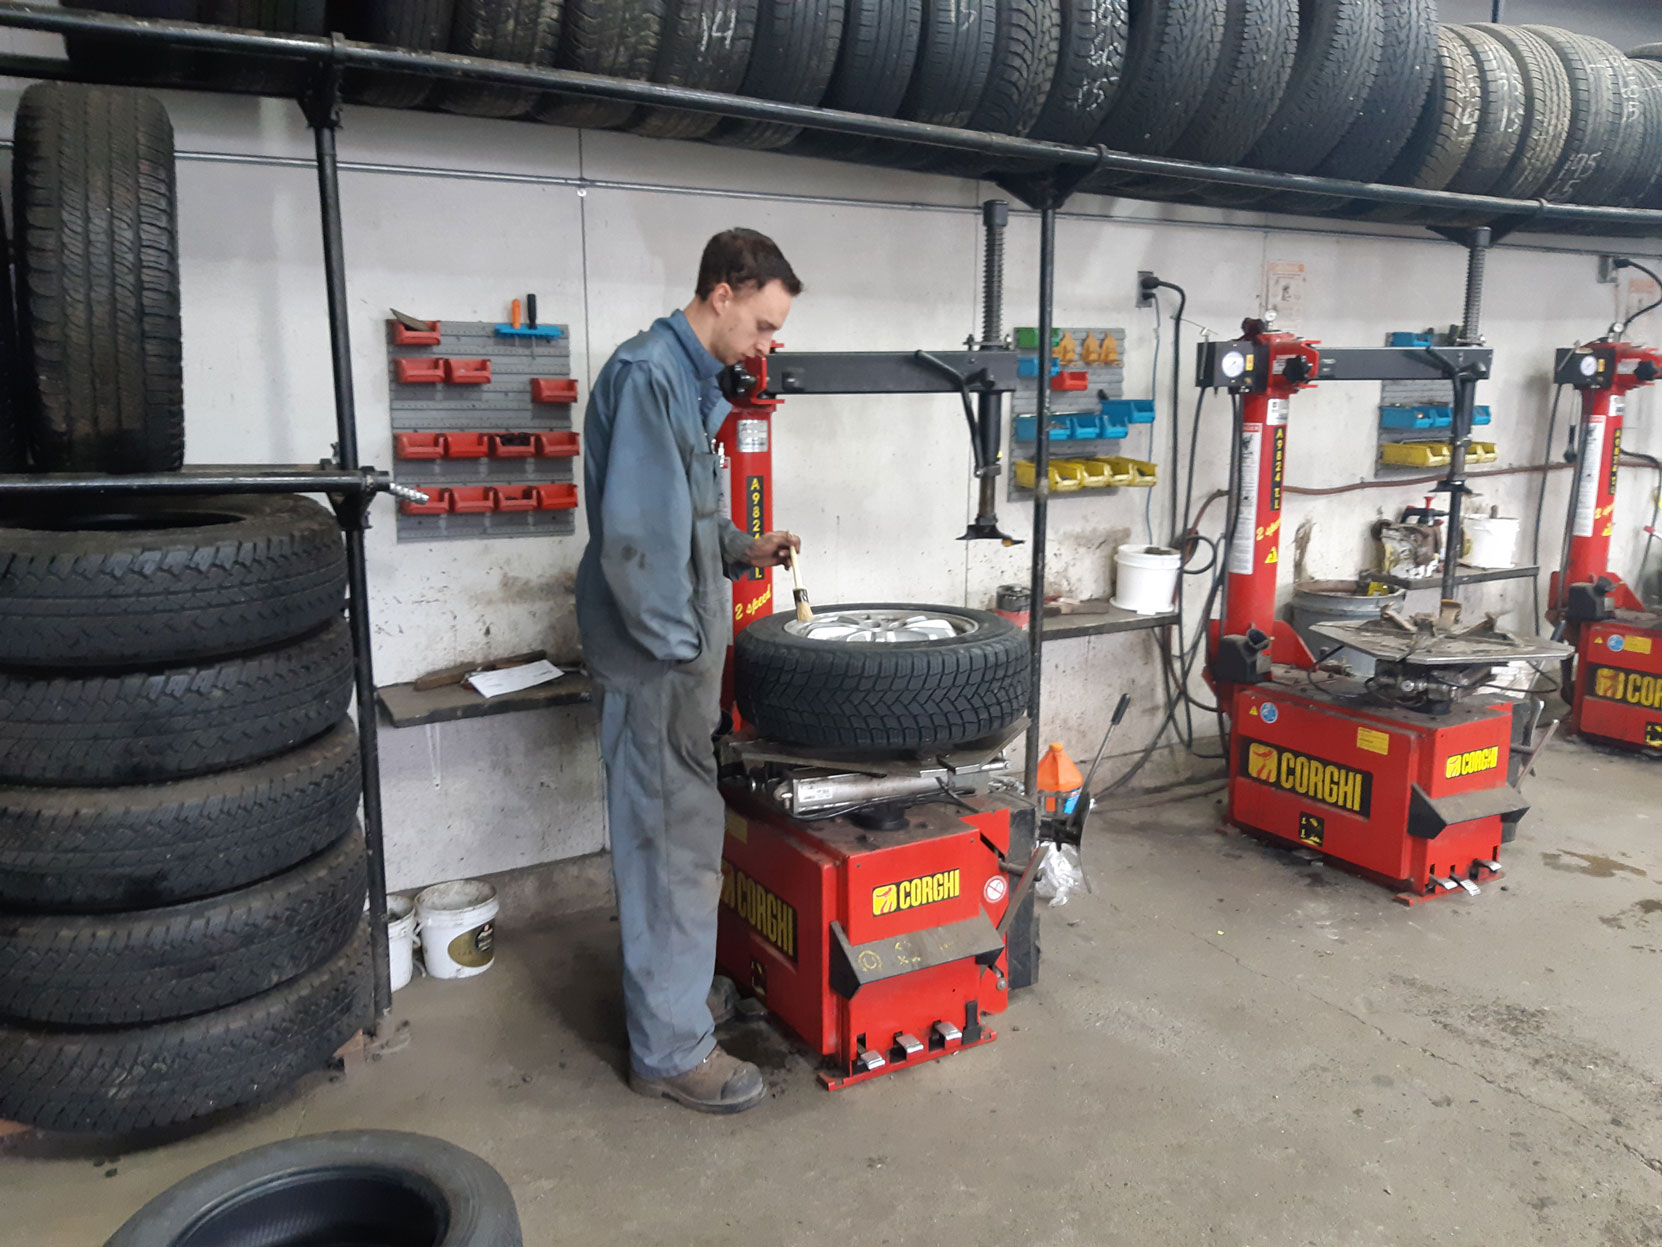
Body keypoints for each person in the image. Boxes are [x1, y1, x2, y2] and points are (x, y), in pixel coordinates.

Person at [576, 228, 802, 1114]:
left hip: (677, 664)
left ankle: (671, 1002)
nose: (766, 345)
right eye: (762, 324)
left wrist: (743, 547)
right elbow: (635, 546)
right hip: (660, 667)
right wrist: (682, 658)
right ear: (723, 293)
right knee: (672, 850)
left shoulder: (685, 384)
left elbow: (681, 522)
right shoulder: (647, 378)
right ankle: (670, 1049)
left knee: (682, 844)